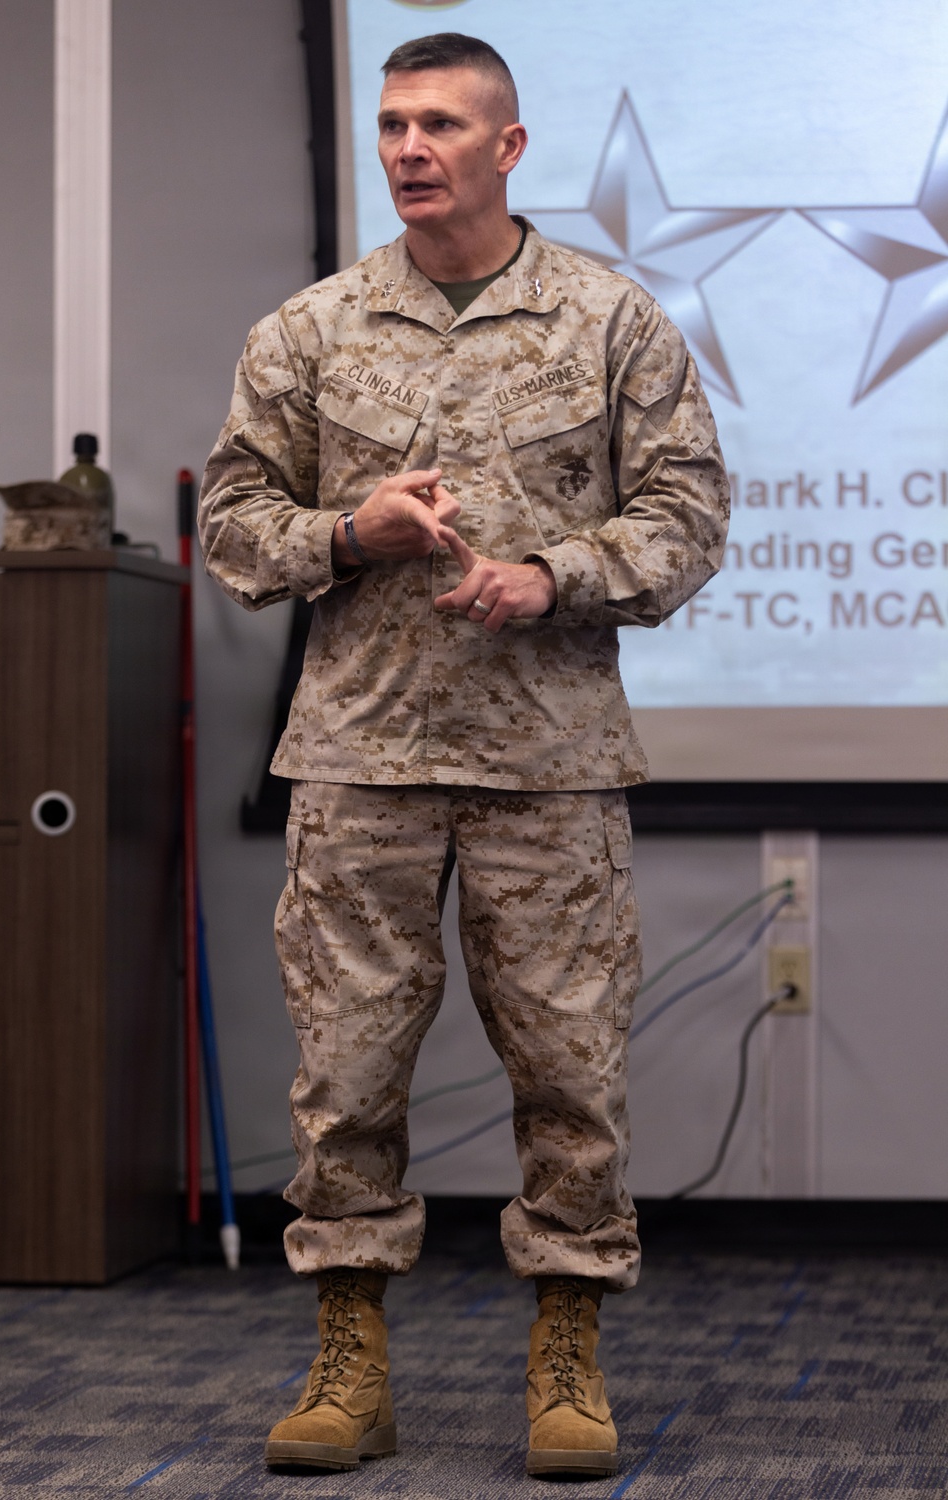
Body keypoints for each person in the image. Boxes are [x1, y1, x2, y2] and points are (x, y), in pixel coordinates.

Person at [199, 31, 729, 1480]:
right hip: (359, 761)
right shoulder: (307, 332)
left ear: (509, 146)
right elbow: (233, 527)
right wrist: (345, 535)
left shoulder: (613, 323)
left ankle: (567, 1359)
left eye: (439, 123)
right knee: (346, 1076)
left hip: (550, 767)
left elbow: (687, 515)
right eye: (389, 124)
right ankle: (348, 1364)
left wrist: (555, 574)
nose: (408, 147)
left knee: (571, 1074)